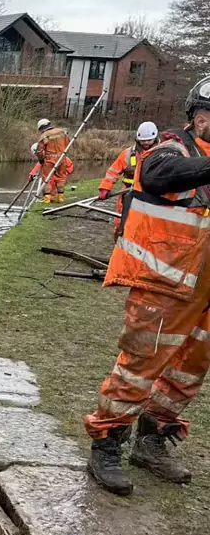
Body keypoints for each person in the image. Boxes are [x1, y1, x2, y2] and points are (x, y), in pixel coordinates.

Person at [83, 76, 210, 495]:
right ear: (198, 116)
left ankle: (153, 441)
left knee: (188, 373)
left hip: (205, 292)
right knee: (138, 367)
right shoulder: (172, 147)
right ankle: (107, 443)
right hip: (166, 282)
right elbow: (157, 175)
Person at [98, 121, 160, 213]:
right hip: (127, 194)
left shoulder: (162, 153)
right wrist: (105, 188)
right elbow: (113, 172)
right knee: (121, 219)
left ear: (155, 139)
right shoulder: (128, 154)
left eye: (149, 140)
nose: (146, 143)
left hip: (152, 195)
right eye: (143, 140)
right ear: (138, 139)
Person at [32, 118, 72, 203]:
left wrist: (41, 160)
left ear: (41, 128)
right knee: (60, 178)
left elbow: (39, 151)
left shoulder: (44, 135)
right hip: (62, 159)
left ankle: (47, 199)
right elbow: (68, 143)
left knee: (47, 180)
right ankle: (60, 198)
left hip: (49, 160)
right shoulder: (62, 132)